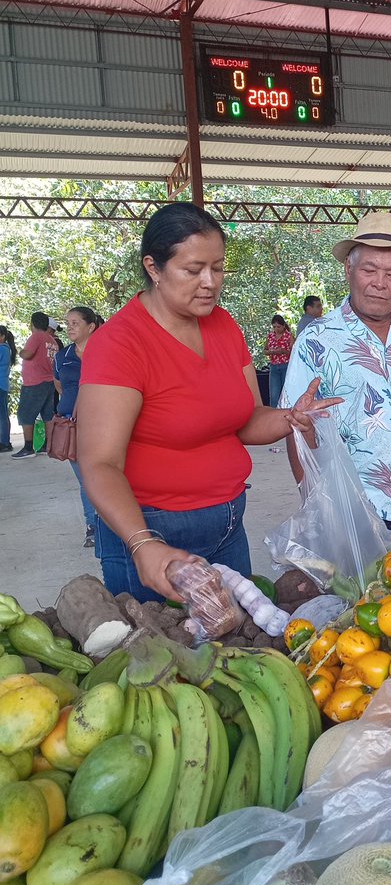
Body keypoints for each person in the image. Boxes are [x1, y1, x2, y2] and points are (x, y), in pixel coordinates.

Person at [77, 203, 338, 603]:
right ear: (154, 267)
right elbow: (99, 463)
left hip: (229, 522)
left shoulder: (224, 325)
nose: (210, 282)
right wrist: (143, 545)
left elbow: (246, 420)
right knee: (162, 651)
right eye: (194, 269)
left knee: (235, 642)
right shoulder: (120, 343)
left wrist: (290, 417)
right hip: (154, 530)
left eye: (218, 268)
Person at [283, 211, 391, 532]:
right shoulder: (317, 339)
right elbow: (296, 427)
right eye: (369, 270)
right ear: (349, 269)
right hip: (353, 507)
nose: (380, 283)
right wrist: (314, 503)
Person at [53, 306, 104, 547]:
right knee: (86, 480)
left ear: (90, 326)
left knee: (111, 474)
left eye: (75, 323)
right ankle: (93, 526)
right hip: (73, 425)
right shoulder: (62, 356)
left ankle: (114, 522)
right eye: (68, 323)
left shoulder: (109, 351)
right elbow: (60, 386)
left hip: (105, 423)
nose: (70, 327)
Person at [12, 311, 57, 458]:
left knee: (26, 414)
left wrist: (20, 352)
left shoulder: (36, 336)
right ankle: (48, 445)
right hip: (49, 382)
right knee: (47, 415)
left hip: (34, 382)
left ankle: (28, 447)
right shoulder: (52, 340)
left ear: (33, 324)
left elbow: (27, 354)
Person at [264, 313, 294, 407]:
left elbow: (294, 353)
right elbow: (265, 350)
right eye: (274, 327)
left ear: (283, 326)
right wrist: (271, 352)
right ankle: (274, 414)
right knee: (274, 394)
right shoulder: (270, 336)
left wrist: (284, 351)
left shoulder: (288, 336)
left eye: (279, 327)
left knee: (287, 392)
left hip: (285, 365)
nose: (276, 329)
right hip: (273, 367)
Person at [0, 325, 16, 453]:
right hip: (3, 385)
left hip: (0, 385)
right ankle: (4, 441)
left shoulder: (3, 349)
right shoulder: (6, 349)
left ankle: (5, 442)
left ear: (3, 336)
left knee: (2, 415)